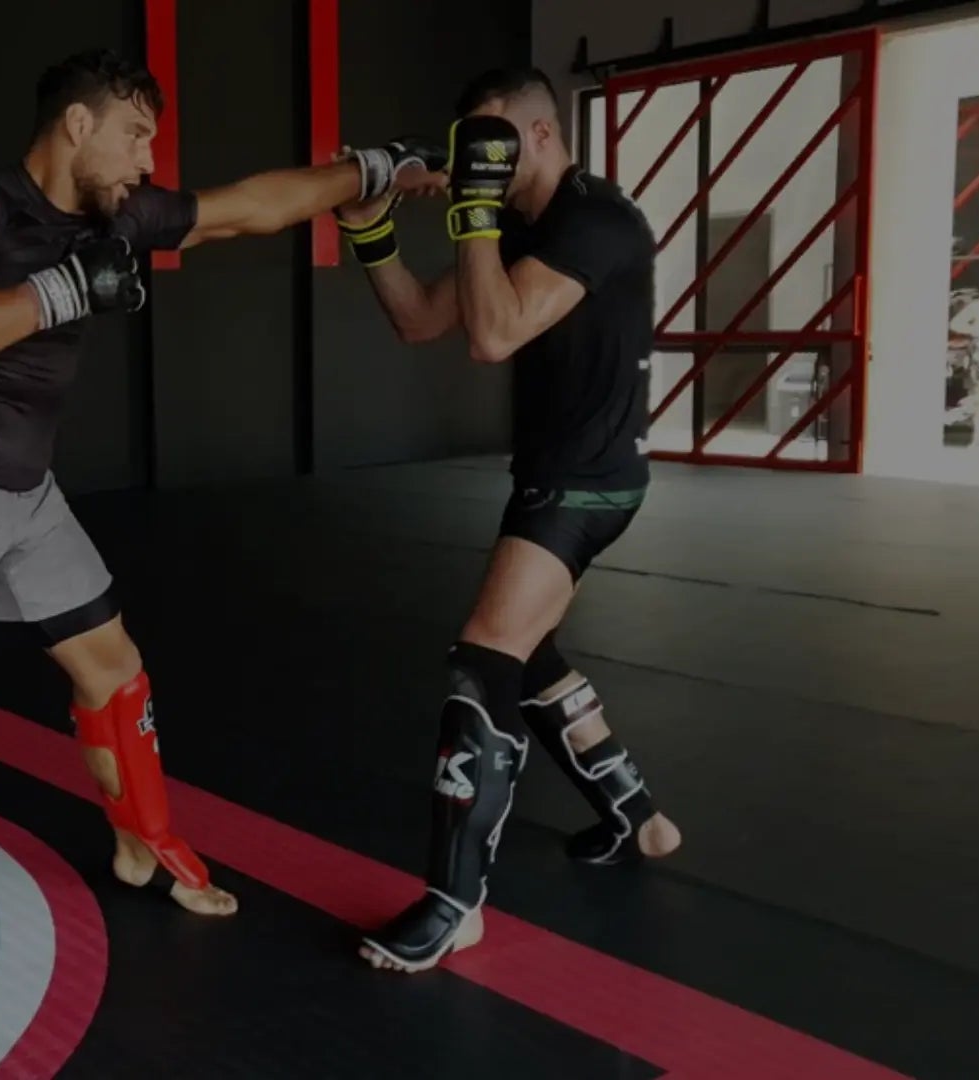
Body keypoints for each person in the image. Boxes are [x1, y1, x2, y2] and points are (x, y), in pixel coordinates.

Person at [0, 47, 445, 1030]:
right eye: (137, 133)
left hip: (28, 494)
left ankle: (146, 841)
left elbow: (246, 207)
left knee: (115, 667)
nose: (148, 159)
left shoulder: (118, 219)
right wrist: (60, 290)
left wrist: (379, 168)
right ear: (79, 123)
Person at [330, 67, 683, 974]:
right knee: (532, 657)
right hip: (555, 474)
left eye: (487, 142)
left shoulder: (597, 221)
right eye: (464, 148)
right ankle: (638, 817)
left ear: (538, 135)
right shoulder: (520, 223)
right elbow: (421, 321)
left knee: (483, 659)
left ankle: (456, 902)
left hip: (591, 483)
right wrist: (371, 232)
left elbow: (494, 336)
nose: (471, 162)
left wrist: (472, 212)